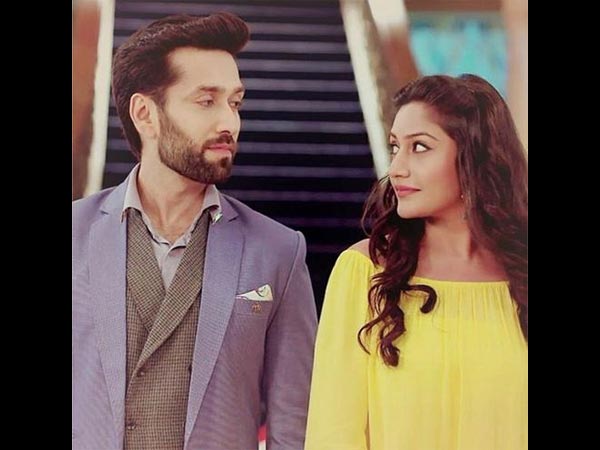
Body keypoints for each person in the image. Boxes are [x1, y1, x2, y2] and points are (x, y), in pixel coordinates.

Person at [72, 13, 317, 450]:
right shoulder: (75, 233)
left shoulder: (278, 250)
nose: (229, 123)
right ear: (145, 114)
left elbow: (294, 423)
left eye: (235, 103)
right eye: (207, 101)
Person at [304, 74, 527, 450]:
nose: (396, 168)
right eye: (395, 147)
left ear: (473, 158)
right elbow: (333, 434)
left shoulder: (521, 276)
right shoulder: (364, 271)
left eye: (419, 147)